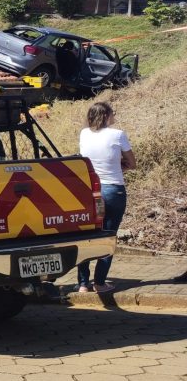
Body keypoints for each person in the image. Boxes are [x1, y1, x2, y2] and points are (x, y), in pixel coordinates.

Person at [76, 102, 135, 294]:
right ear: (107, 116)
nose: (114, 115)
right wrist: (121, 166)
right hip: (112, 191)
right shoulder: (118, 135)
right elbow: (132, 163)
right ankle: (99, 282)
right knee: (108, 236)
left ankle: (83, 283)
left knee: (88, 235)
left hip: (92, 192)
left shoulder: (84, 134)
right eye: (113, 113)